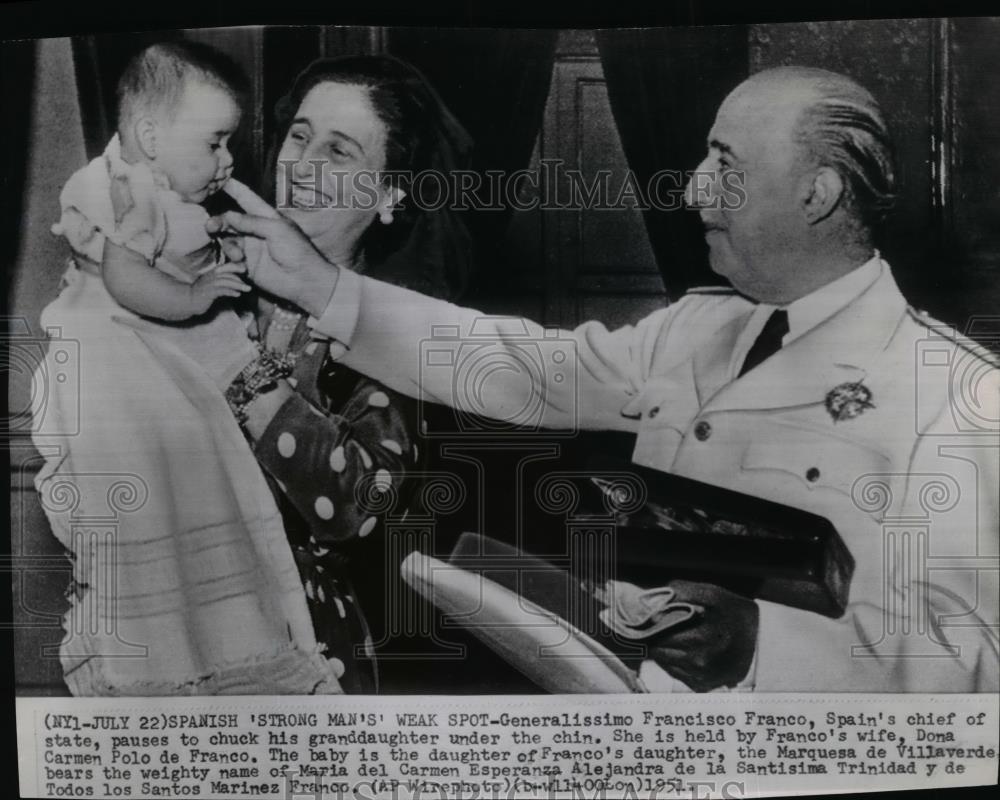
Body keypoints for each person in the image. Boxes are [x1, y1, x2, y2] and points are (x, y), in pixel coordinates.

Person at [213, 66, 1000, 693]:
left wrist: (767, 648)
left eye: (724, 163)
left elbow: (975, 673)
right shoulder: (699, 325)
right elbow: (519, 367)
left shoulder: (954, 394)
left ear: (816, 193)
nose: (692, 188)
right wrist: (324, 290)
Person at [34, 41, 340, 695]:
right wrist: (197, 296)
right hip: (121, 369)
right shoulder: (127, 192)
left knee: (204, 522)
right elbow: (126, 279)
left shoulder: (173, 202)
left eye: (340, 154)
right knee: (159, 515)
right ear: (149, 135)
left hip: (189, 387)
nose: (230, 162)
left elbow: (245, 369)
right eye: (216, 143)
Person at [212, 55, 474, 692]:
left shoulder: (390, 338)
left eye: (339, 151)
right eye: (298, 137)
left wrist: (239, 372)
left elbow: (359, 505)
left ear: (389, 193)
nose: (301, 166)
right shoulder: (206, 274)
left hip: (294, 639)